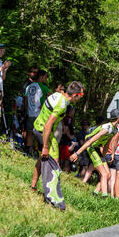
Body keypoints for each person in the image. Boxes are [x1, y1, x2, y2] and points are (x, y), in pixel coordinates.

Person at [31, 81, 85, 210]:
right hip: (44, 132)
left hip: (38, 127)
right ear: (75, 95)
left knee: (42, 159)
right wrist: (45, 146)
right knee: (54, 165)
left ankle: (33, 187)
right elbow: (48, 124)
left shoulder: (58, 94)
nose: (80, 99)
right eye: (81, 96)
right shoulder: (62, 105)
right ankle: (53, 198)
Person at [70, 109, 119, 197]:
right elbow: (90, 140)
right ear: (118, 118)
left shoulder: (114, 130)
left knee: (108, 175)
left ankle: (94, 194)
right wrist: (77, 153)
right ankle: (105, 197)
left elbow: (106, 144)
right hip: (91, 147)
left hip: (97, 149)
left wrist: (105, 156)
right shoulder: (107, 128)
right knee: (104, 174)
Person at [24, 70, 50, 156]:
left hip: (30, 113)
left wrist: (26, 110)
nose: (46, 79)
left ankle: (28, 150)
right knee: (38, 133)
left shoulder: (29, 86)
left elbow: (25, 99)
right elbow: (51, 97)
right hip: (39, 114)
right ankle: (37, 151)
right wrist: (44, 105)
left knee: (29, 132)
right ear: (41, 77)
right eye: (46, 77)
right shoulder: (43, 87)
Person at [59, 105, 75, 173]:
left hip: (62, 141)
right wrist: (71, 137)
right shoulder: (68, 119)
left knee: (62, 159)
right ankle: (65, 173)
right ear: (70, 111)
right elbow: (65, 129)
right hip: (65, 143)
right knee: (66, 160)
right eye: (73, 110)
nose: (74, 112)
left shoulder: (65, 118)